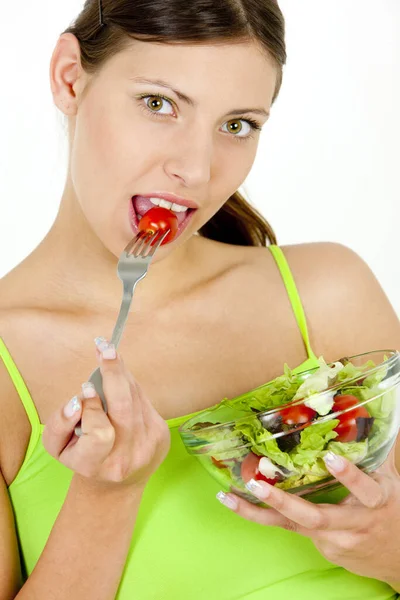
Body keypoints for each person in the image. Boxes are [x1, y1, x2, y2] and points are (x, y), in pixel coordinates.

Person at [0, 1, 399, 599]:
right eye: (158, 104)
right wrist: (106, 494)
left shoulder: (328, 294)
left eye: (237, 125)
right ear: (68, 77)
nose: (196, 167)